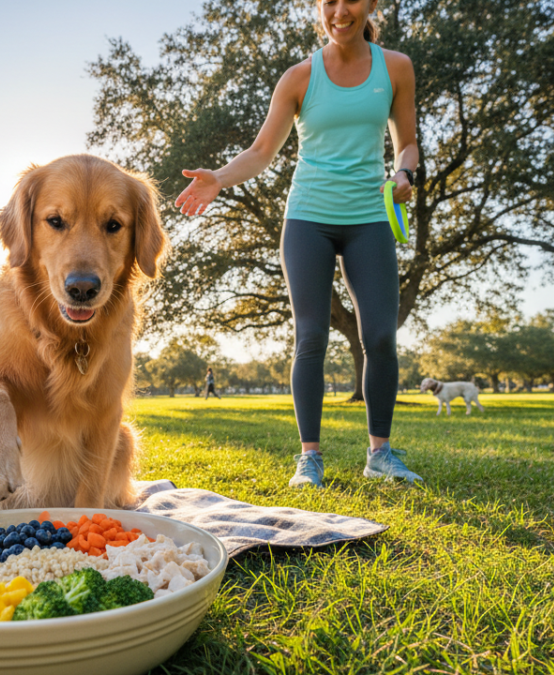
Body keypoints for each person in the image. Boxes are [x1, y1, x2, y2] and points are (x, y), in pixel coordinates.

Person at [174, 0, 421, 488]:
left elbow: (407, 141)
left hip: (370, 217)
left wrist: (404, 172)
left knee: (380, 337)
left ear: (370, 4)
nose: (339, 11)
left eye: (350, 0)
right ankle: (310, 457)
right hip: (308, 217)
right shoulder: (299, 77)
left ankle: (381, 454)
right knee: (311, 335)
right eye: (328, 1)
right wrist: (218, 179)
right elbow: (262, 151)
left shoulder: (395, 68)